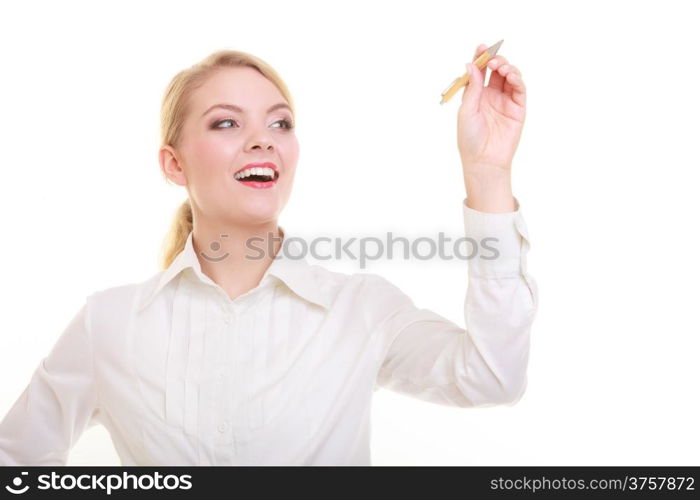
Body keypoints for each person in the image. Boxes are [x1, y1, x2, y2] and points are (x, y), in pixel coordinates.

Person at [0, 45, 538, 465]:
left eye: (279, 123)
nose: (264, 140)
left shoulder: (360, 309)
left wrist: (487, 172)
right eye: (226, 123)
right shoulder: (109, 324)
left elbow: (493, 375)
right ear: (173, 165)